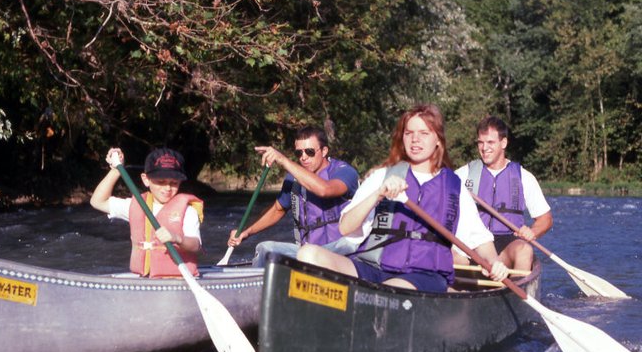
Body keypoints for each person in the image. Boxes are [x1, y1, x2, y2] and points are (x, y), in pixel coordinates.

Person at [296, 104, 509, 293]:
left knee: (389, 289)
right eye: (409, 133)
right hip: (373, 268)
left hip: (424, 275)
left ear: (437, 139)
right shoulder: (382, 176)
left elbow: (480, 239)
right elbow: (345, 227)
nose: (415, 139)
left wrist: (494, 262)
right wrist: (378, 194)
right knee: (308, 254)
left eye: (424, 133)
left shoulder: (455, 187)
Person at [227, 125, 360, 267]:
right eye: (299, 153)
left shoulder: (344, 172)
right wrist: (246, 231)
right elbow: (277, 210)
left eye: (309, 152)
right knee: (265, 249)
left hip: (341, 250)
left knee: (309, 255)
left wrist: (283, 160)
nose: (303, 157)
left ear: (324, 151)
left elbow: (325, 190)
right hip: (307, 251)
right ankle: (258, 280)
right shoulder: (294, 179)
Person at [455, 116, 553, 271]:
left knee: (524, 250)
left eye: (490, 142)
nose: (484, 148)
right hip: (471, 246)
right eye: (480, 142)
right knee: (445, 253)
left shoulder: (523, 177)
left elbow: (545, 219)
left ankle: (516, 286)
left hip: (506, 246)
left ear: (503, 143)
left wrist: (532, 231)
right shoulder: (463, 175)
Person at [90, 147, 203, 277]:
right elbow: (98, 202)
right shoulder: (136, 205)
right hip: (145, 278)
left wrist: (177, 238)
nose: (167, 188)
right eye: (161, 182)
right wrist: (116, 170)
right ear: (145, 180)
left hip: (179, 279)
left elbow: (196, 245)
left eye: (174, 183)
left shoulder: (188, 211)